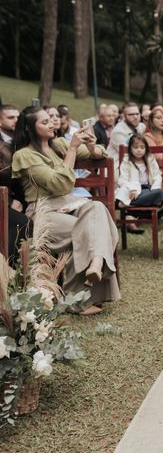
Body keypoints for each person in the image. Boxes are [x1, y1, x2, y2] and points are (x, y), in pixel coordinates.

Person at [12, 106, 120, 316]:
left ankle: (96, 263)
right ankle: (75, 301)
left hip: (70, 204)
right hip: (44, 211)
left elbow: (100, 153)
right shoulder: (23, 155)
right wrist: (71, 150)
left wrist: (91, 145)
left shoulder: (57, 144)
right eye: (44, 122)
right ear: (29, 128)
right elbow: (59, 184)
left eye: (51, 120)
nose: (52, 123)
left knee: (97, 207)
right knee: (86, 232)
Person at [0, 104, 30, 265]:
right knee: (22, 222)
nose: (16, 121)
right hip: (3, 198)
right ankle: (10, 269)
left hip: (24, 197)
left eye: (18, 117)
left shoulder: (23, 141)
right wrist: (10, 202)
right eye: (10, 117)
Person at [116, 133, 163, 209]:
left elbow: (157, 176)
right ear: (130, 149)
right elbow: (122, 180)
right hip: (132, 191)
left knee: (159, 192)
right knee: (159, 197)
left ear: (146, 148)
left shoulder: (150, 159)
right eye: (135, 147)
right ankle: (152, 201)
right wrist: (132, 189)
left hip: (148, 190)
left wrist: (154, 189)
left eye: (142, 147)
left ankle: (128, 203)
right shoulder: (126, 161)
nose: (139, 150)